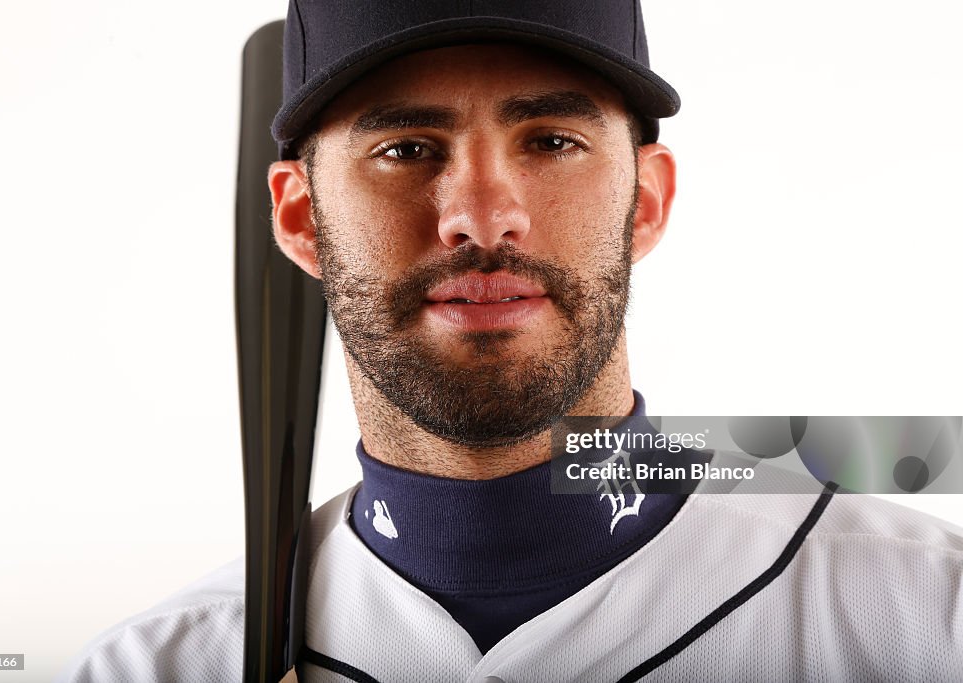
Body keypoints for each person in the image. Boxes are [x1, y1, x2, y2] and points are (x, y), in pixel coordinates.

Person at [59, 1, 963, 681]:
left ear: (645, 201)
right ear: (299, 220)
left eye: (553, 139)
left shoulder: (924, 615)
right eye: (406, 148)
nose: (482, 216)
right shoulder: (161, 665)